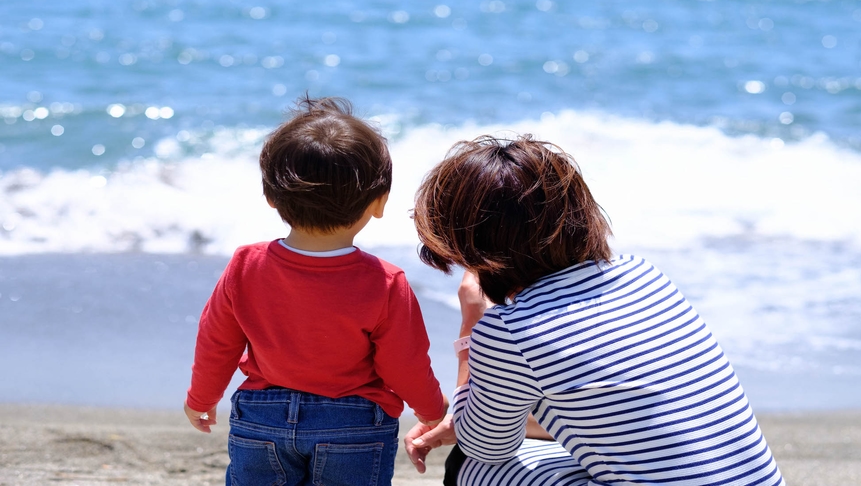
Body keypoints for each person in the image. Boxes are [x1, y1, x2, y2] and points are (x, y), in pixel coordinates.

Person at [404, 135, 784, 485]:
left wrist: (473, 320)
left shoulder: (511, 330)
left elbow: (486, 447)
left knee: (471, 469)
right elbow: (614, 414)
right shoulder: (646, 276)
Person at [184, 96, 446, 486]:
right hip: (353, 422)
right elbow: (403, 362)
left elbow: (217, 341)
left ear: (271, 197)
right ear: (379, 202)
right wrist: (429, 408)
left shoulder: (245, 265)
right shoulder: (385, 282)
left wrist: (201, 398)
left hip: (261, 417)